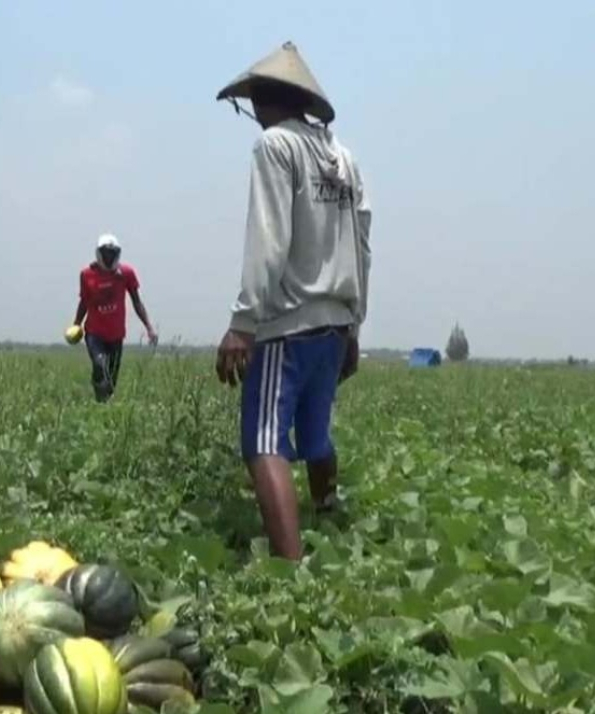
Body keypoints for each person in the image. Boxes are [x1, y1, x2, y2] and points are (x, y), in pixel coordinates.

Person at [213, 42, 373, 561]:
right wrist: (353, 324)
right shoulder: (343, 157)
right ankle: (327, 510)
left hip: (287, 320)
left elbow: (269, 238)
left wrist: (243, 322)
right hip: (334, 322)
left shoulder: (275, 147)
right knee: (315, 432)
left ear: (264, 99)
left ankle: (291, 572)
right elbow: (361, 242)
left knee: (263, 444)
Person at [72, 233, 158, 402]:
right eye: (106, 253)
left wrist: (149, 327)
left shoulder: (126, 273)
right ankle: (99, 389)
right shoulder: (86, 275)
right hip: (94, 333)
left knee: (110, 381)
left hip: (116, 335)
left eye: (113, 253)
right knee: (100, 364)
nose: (109, 257)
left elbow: (137, 302)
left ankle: (102, 404)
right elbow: (84, 302)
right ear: (98, 253)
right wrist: (77, 324)